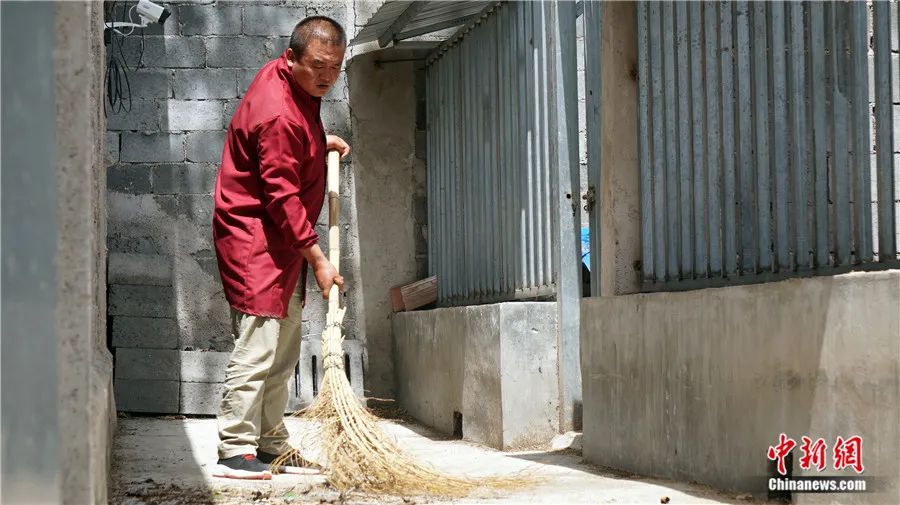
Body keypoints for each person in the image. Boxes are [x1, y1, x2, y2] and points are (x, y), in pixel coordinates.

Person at [211, 15, 350, 479]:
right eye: (317, 66)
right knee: (256, 346)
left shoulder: (291, 84)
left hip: (284, 241)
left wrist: (316, 141)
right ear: (291, 58)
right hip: (257, 238)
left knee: (284, 347)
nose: (326, 77)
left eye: (335, 67)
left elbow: (287, 144)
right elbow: (280, 195)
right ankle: (235, 448)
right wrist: (319, 258)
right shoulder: (277, 112)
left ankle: (270, 444)